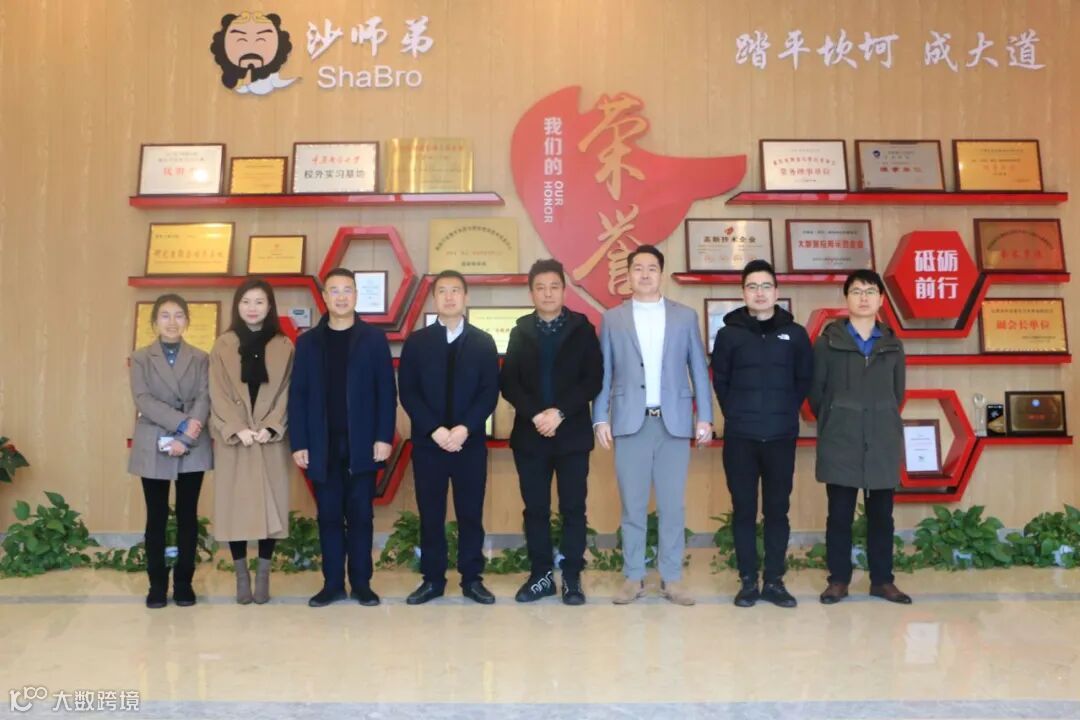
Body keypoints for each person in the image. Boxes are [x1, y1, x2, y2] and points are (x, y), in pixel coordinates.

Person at [593, 244, 713, 606]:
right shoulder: (613, 319)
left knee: (673, 506)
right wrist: (600, 417)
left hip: (673, 422)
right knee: (632, 506)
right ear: (628, 275)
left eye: (651, 268)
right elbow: (604, 371)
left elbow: (698, 369)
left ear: (661, 274)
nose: (645, 274)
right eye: (638, 268)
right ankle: (633, 577)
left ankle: (671, 578)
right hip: (630, 422)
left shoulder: (684, 317)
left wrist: (705, 416)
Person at [289, 268, 397, 607]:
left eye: (347, 290)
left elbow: (386, 392)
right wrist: (299, 442)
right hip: (322, 444)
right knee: (329, 516)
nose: (340, 296)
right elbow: (298, 395)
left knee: (361, 516)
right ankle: (332, 583)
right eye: (333, 290)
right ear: (324, 297)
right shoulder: (308, 342)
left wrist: (383, 437)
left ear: (356, 295)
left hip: (363, 443)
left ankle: (362, 583)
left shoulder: (373, 339)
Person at [500, 259, 603, 605]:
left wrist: (559, 412)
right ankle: (541, 575)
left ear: (564, 290)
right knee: (536, 509)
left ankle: (572, 576)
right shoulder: (520, 330)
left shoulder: (582, 329)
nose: (547, 293)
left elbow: (593, 379)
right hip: (530, 436)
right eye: (540, 288)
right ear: (531, 292)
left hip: (571, 433)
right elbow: (509, 382)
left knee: (573, 508)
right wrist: (536, 415)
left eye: (554, 287)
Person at [711, 259, 813, 609]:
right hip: (741, 437)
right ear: (743, 292)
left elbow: (803, 379)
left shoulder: (795, 334)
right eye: (752, 286)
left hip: (781, 436)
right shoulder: (729, 335)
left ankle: (774, 580)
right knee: (743, 510)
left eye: (766, 286)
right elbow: (720, 381)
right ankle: (747, 581)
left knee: (777, 511)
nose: (759, 293)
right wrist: (737, 413)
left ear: (776, 292)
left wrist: (784, 409)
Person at [809, 269, 912, 605]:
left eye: (870, 291)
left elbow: (897, 394)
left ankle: (882, 581)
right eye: (856, 291)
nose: (863, 298)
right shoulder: (827, 343)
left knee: (882, 516)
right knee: (839, 515)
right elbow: (817, 394)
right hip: (841, 438)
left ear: (881, 299)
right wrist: (840, 415)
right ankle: (838, 580)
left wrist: (877, 416)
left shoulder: (893, 345)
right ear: (846, 298)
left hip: (881, 439)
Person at [398, 270, 500, 605]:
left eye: (456, 290)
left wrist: (464, 428)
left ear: (466, 297)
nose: (450, 297)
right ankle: (432, 580)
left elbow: (489, 392)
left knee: (470, 513)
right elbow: (408, 392)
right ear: (434, 299)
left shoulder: (483, 342)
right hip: (429, 444)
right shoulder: (417, 342)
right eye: (442, 291)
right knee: (431, 514)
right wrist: (435, 429)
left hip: (469, 444)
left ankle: (472, 579)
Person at [209, 278, 294, 605]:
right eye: (246, 302)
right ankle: (241, 576)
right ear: (237, 306)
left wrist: (272, 426)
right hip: (236, 439)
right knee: (235, 509)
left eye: (259, 301)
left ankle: (263, 576)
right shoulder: (223, 345)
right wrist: (236, 427)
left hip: (269, 438)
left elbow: (288, 391)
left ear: (269, 306)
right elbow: (216, 392)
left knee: (271, 508)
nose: (252, 308)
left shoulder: (284, 345)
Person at [128, 294, 212, 609]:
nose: (172, 322)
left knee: (189, 515)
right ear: (154, 322)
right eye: (165, 315)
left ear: (187, 321)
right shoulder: (140, 358)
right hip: (154, 439)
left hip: (193, 442)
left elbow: (205, 397)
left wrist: (187, 436)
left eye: (178, 315)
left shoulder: (201, 358)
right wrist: (182, 423)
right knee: (157, 516)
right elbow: (142, 399)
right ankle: (157, 584)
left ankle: (184, 583)